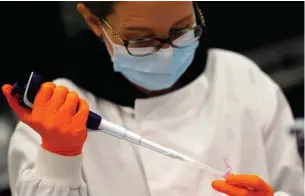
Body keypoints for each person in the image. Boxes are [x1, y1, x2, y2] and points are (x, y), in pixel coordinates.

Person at [2, 2, 303, 196]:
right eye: (141, 40)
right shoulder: (58, 115)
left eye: (182, 30)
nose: (168, 51)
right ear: (94, 22)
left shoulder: (242, 81)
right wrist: (57, 161)